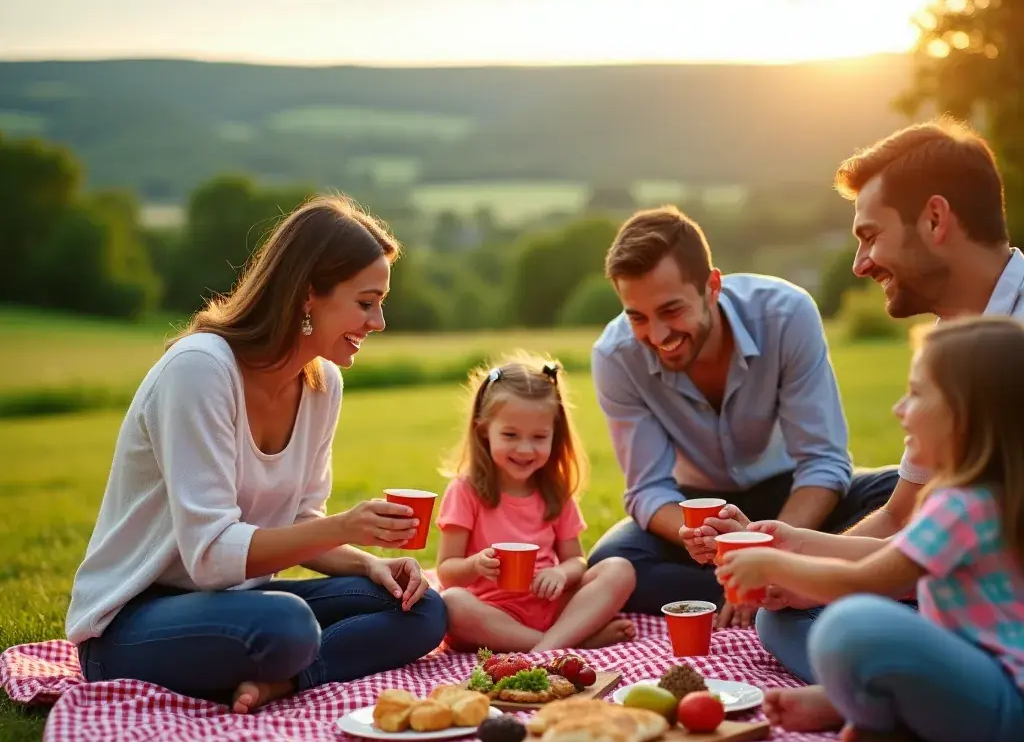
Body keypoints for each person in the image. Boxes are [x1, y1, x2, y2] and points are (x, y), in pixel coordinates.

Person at [66, 196, 448, 714]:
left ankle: (284, 682)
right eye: (365, 302)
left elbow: (298, 522)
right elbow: (210, 557)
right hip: (134, 622)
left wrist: (368, 563)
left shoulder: (321, 384)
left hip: (235, 605)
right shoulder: (200, 370)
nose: (378, 321)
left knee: (421, 608)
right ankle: (288, 662)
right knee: (286, 624)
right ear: (309, 293)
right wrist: (344, 528)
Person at [757, 118, 1024, 679]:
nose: (860, 265)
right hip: (954, 587)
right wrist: (796, 557)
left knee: (839, 622)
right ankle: (893, 686)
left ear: (934, 219)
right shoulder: (947, 349)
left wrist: (815, 572)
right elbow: (901, 516)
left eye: (870, 235)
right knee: (781, 614)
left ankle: (898, 694)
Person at [718, 317, 1024, 742]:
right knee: (789, 619)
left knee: (849, 625)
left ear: (966, 415)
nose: (900, 409)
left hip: (1004, 704)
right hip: (980, 685)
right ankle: (895, 727)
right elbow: (892, 560)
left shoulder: (963, 506)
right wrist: (796, 543)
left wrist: (771, 564)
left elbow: (867, 582)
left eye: (917, 394)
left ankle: (863, 709)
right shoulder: (989, 496)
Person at [586, 206, 897, 626]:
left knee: (899, 492)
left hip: (791, 498)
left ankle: (785, 583)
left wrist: (767, 553)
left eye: (672, 310)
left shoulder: (786, 315)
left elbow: (823, 463)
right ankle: (772, 591)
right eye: (637, 317)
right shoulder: (616, 356)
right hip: (696, 511)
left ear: (712, 286)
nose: (658, 336)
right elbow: (648, 491)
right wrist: (696, 535)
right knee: (612, 561)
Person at [435, 353, 636, 652]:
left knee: (619, 569)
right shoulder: (465, 490)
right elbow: (446, 572)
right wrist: (476, 564)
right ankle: (566, 644)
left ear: (555, 436)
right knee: (451, 603)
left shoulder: (555, 490)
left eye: (539, 437)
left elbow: (576, 561)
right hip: (494, 614)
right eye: (510, 435)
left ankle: (549, 644)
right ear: (483, 432)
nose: (525, 448)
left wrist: (559, 573)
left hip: (551, 608)